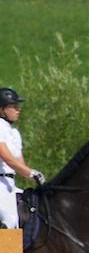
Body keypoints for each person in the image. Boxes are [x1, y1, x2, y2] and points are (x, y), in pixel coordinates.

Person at [0, 87, 45, 229]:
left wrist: (38, 179)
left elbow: (20, 165)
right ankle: (7, 245)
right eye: (13, 106)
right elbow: (7, 159)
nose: (18, 109)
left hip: (10, 184)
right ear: (2, 109)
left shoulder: (14, 133)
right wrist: (32, 173)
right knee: (10, 218)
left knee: (34, 208)